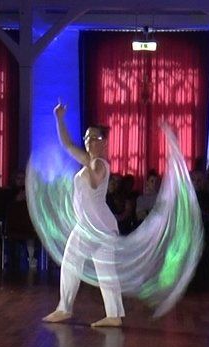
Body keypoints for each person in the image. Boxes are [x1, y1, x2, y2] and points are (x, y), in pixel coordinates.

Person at [42, 100, 125, 327]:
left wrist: (88, 167)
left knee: (71, 261)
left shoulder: (99, 164)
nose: (88, 141)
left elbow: (96, 180)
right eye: (87, 137)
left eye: (94, 138)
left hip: (92, 226)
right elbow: (68, 144)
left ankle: (64, 309)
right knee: (106, 270)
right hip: (102, 225)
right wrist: (59, 118)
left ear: (104, 142)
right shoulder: (90, 161)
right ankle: (114, 315)